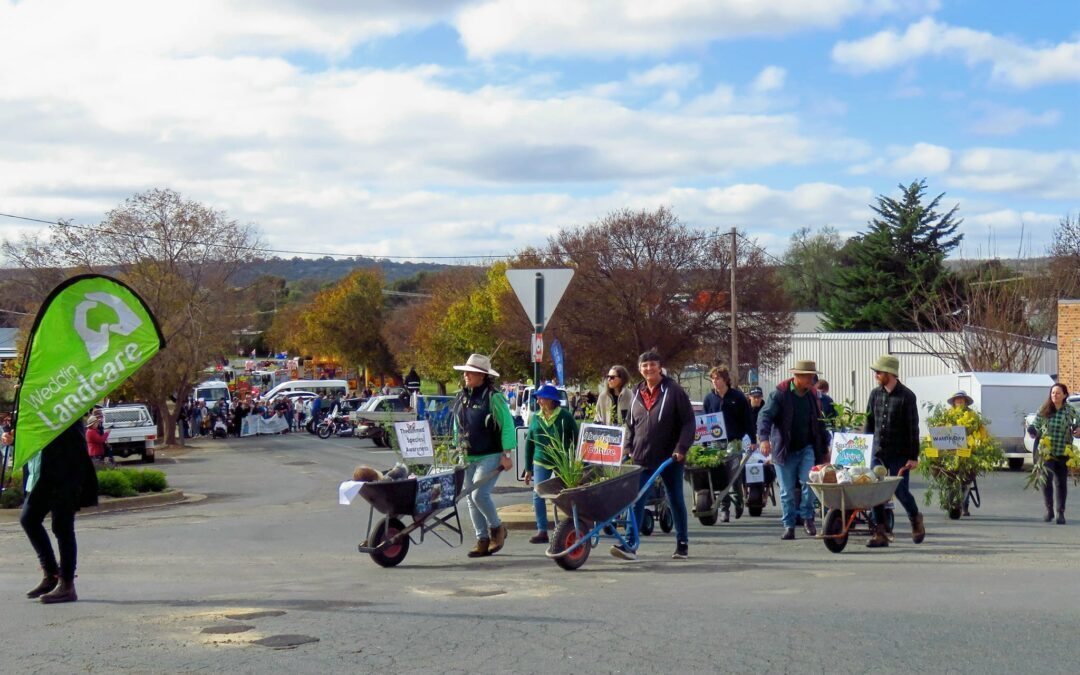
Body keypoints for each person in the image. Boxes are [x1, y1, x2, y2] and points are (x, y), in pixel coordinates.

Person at [618, 349, 695, 561]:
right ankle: (629, 544)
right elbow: (630, 424)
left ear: (660, 367)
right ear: (639, 369)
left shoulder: (674, 390)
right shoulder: (637, 392)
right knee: (636, 499)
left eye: (652, 364)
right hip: (642, 456)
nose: (649, 368)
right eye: (645, 365)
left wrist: (681, 448)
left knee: (675, 498)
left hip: (670, 457)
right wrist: (627, 447)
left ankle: (682, 543)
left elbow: (689, 422)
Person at [20, 418, 99, 603]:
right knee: (28, 519)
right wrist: (14, 439)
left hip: (65, 476)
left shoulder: (64, 409)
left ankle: (67, 584)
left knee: (62, 528)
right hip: (41, 476)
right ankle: (51, 574)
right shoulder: (35, 410)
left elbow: (73, 445)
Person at [757, 360, 831, 540]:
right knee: (787, 491)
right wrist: (764, 439)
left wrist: (824, 448)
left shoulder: (812, 396)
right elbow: (765, 416)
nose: (812, 380)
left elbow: (819, 423)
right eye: (809, 377)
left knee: (809, 483)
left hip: (807, 448)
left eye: (813, 376)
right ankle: (789, 525)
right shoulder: (780, 394)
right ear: (797, 376)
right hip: (784, 450)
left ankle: (807, 517)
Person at [452, 354, 516, 558]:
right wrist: (456, 447)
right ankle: (482, 539)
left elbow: (507, 425)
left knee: (479, 495)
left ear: (482, 376)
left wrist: (507, 454)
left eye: (471, 372)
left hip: (490, 455)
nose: (466, 375)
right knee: (470, 499)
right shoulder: (462, 396)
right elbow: (457, 424)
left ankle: (497, 529)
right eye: (465, 372)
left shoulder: (494, 397)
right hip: (467, 456)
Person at [864, 355, 924, 547]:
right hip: (878, 452)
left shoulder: (907, 396)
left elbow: (913, 428)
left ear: (889, 373)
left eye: (879, 372)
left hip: (899, 453)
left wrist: (913, 457)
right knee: (875, 491)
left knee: (900, 491)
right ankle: (880, 533)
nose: (876, 375)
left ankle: (915, 518)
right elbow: (869, 422)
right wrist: (865, 447)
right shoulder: (875, 394)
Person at [523, 384, 578, 545]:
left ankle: (574, 525)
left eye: (542, 398)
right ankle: (542, 530)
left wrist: (576, 462)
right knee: (538, 494)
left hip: (562, 461)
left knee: (567, 494)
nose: (539, 401)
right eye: (538, 398)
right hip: (540, 461)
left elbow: (576, 439)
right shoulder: (536, 417)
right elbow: (529, 443)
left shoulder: (565, 416)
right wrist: (528, 469)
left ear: (552, 400)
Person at [702, 364, 756, 522]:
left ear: (725, 379)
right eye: (712, 379)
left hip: (734, 441)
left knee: (733, 475)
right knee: (719, 476)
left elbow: (747, 420)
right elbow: (704, 421)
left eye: (717, 378)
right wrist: (704, 443)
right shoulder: (709, 398)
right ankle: (724, 509)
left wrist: (753, 440)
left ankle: (738, 500)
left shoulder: (737, 397)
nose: (715, 381)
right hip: (715, 442)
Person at [1028, 383, 1080, 525]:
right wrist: (1032, 430)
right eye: (1052, 393)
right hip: (1046, 451)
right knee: (1046, 479)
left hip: (1063, 450)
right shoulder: (1044, 409)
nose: (1054, 395)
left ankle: (1060, 512)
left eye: (1057, 393)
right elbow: (1036, 424)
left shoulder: (1069, 411)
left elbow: (1077, 423)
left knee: (1061, 482)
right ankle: (1049, 509)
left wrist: (1078, 429)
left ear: (1064, 395)